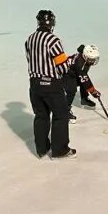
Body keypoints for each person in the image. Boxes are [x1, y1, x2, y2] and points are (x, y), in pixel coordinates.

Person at [25, 10, 74, 159]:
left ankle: (41, 149)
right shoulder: (53, 40)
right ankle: (60, 150)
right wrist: (68, 65)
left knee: (41, 116)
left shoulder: (30, 39)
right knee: (61, 115)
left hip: (34, 84)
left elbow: (29, 59)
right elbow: (62, 67)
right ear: (52, 23)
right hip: (51, 84)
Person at [65, 44, 101, 120]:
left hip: (74, 72)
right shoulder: (80, 64)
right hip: (66, 75)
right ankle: (65, 111)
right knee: (72, 90)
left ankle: (84, 99)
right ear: (85, 56)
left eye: (94, 59)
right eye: (90, 59)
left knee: (84, 81)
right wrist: (93, 92)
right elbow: (85, 80)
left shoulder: (84, 55)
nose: (93, 61)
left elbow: (82, 47)